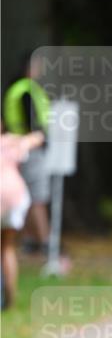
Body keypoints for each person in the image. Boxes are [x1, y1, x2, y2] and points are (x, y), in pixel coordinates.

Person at [3, 52, 51, 255]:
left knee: (27, 197)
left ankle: (29, 241)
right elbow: (33, 125)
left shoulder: (15, 88)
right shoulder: (27, 90)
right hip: (29, 149)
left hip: (15, 149)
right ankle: (46, 244)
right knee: (37, 198)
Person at [1, 127, 45, 309]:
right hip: (14, 196)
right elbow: (37, 138)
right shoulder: (10, 142)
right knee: (7, 247)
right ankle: (9, 298)